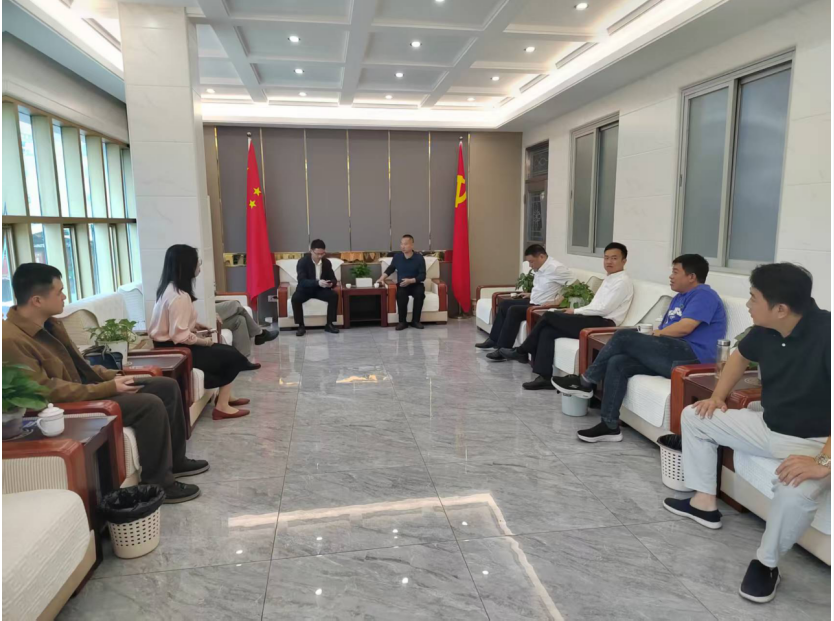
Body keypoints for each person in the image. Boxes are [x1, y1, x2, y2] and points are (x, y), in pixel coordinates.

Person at [663, 263, 829, 604]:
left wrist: (823, 462)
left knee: (793, 495)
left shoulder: (828, 334)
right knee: (695, 416)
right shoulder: (766, 329)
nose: (748, 304)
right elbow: (739, 358)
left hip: (815, 444)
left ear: (780, 309)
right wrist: (717, 397)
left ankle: (766, 564)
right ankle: (703, 503)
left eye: (753, 298)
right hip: (768, 426)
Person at [3, 263, 206, 504]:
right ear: (37, 300)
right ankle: (159, 483)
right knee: (149, 405)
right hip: (66, 405)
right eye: (59, 292)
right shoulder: (10, 339)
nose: (65, 297)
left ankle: (176, 461)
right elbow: (46, 391)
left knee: (165, 386)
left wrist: (113, 377)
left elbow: (82, 366)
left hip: (87, 390)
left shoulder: (51, 323)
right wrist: (108, 388)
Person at [553, 254, 726, 442]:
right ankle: (609, 425)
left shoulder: (703, 294)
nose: (671, 276)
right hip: (671, 352)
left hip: (692, 356)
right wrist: (652, 337)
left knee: (623, 336)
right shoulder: (679, 297)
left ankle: (586, 381)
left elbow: (686, 327)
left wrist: (655, 335)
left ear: (691, 276)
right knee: (618, 362)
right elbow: (667, 329)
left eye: (675, 272)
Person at [497, 243, 634, 388]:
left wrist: (575, 311)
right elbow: (596, 305)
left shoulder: (622, 282)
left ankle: (522, 350)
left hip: (603, 324)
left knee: (549, 316)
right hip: (592, 317)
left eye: (614, 258)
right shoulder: (610, 278)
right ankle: (544, 377)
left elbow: (604, 309)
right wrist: (577, 310)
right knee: (548, 331)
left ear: (624, 261)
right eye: (606, 258)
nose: (609, 262)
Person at [150, 245, 251, 421]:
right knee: (230, 355)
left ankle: (225, 397)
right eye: (198, 262)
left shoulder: (170, 289)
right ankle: (222, 407)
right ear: (187, 265)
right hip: (176, 350)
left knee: (226, 351)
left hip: (169, 345)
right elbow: (179, 336)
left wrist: (195, 325)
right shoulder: (179, 296)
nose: (199, 266)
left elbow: (174, 323)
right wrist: (206, 342)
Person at [477, 244, 572, 354]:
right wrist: (531, 294)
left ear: (541, 256)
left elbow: (574, 285)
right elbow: (544, 287)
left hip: (541, 307)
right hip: (534, 301)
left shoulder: (556, 268)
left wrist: (557, 301)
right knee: (504, 305)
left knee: (514, 310)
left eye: (532, 262)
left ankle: (502, 349)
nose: (530, 266)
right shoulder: (540, 267)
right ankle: (493, 339)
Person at [376, 234, 427, 331]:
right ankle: (402, 322)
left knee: (420, 294)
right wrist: (381, 278)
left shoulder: (419, 258)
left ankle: (415, 321)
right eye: (401, 244)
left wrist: (410, 281)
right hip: (403, 284)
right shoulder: (397, 257)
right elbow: (391, 269)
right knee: (401, 295)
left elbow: (422, 276)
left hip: (415, 283)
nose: (403, 246)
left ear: (412, 245)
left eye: (406, 244)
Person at [292, 239, 339, 336]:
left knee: (333, 295)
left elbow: (333, 279)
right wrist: (317, 282)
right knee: (295, 298)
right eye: (317, 254)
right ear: (311, 251)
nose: (320, 256)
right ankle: (301, 326)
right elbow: (302, 281)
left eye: (322, 253)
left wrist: (331, 284)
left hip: (320, 290)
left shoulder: (326, 262)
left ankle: (329, 324)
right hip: (305, 290)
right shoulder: (303, 262)